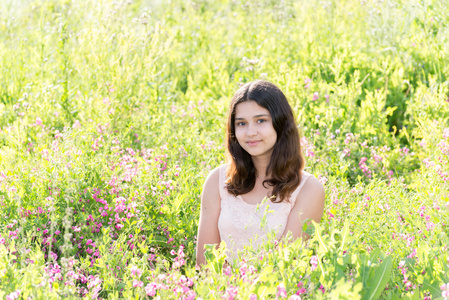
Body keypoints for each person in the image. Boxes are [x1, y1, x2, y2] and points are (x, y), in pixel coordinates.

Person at [196, 80, 325, 265]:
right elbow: (205, 264)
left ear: (280, 122)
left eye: (261, 121)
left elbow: (285, 267)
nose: (250, 132)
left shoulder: (308, 189)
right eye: (241, 123)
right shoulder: (217, 181)